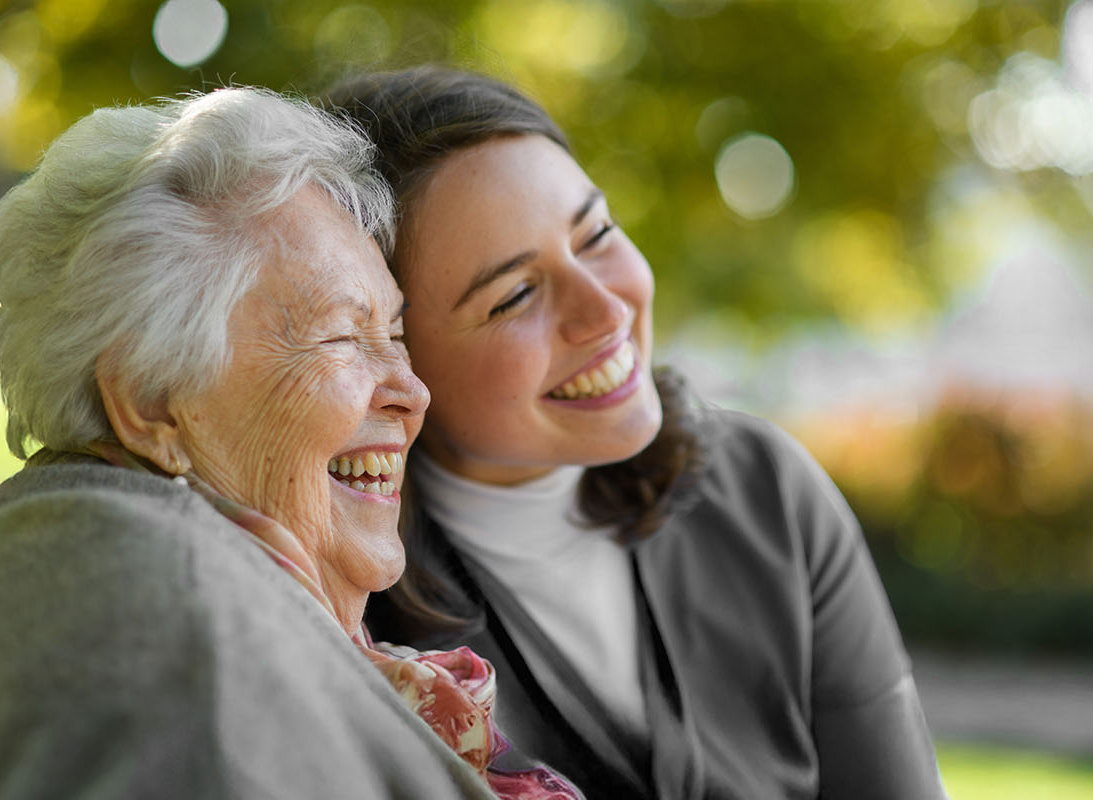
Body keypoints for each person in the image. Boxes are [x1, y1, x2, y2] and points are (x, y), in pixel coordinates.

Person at [0, 87, 576, 799]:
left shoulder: (82, 556)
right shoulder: (170, 621)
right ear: (152, 400)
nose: (411, 392)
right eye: (345, 336)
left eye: (397, 334)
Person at [324, 67, 945, 799]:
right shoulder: (347, 608)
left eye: (596, 234)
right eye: (516, 295)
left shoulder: (767, 491)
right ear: (396, 354)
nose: (604, 309)